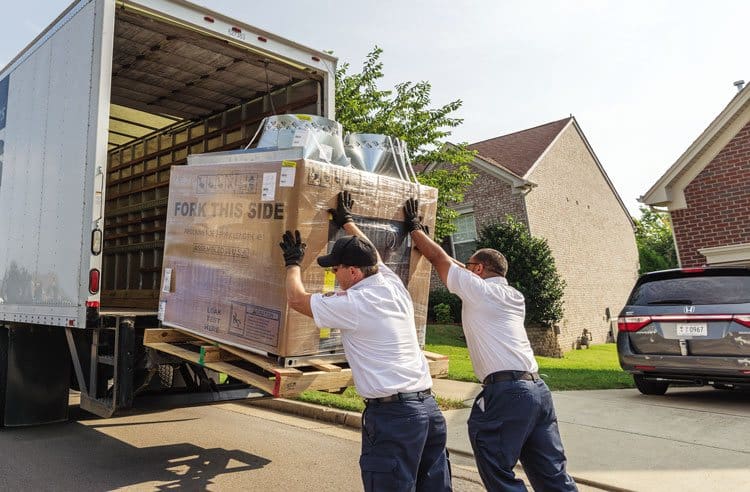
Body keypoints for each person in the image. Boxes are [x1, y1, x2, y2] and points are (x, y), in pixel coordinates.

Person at [278, 191, 452, 492]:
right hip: (428, 413)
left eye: (336, 268)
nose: (334, 272)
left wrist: (292, 263)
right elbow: (372, 251)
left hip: (395, 418)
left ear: (354, 272)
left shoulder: (355, 303)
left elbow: (296, 299)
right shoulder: (389, 283)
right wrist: (347, 222)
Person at [402, 197, 577, 492]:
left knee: (492, 456)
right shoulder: (513, 296)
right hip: (538, 393)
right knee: (550, 470)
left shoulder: (478, 291)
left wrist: (415, 229)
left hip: (507, 393)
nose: (467, 270)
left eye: (471, 266)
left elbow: (440, 259)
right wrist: (465, 265)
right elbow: (458, 266)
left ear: (480, 269)